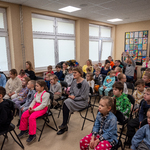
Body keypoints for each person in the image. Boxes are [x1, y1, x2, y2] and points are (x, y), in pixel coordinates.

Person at [57, 66, 89, 135]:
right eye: (73, 73)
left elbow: (84, 97)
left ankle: (64, 125)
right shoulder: (74, 81)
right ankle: (64, 124)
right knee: (66, 102)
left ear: (80, 73)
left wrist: (74, 98)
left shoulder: (85, 83)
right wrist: (72, 96)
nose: (73, 74)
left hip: (82, 102)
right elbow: (71, 91)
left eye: (75, 73)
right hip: (74, 99)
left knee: (67, 102)